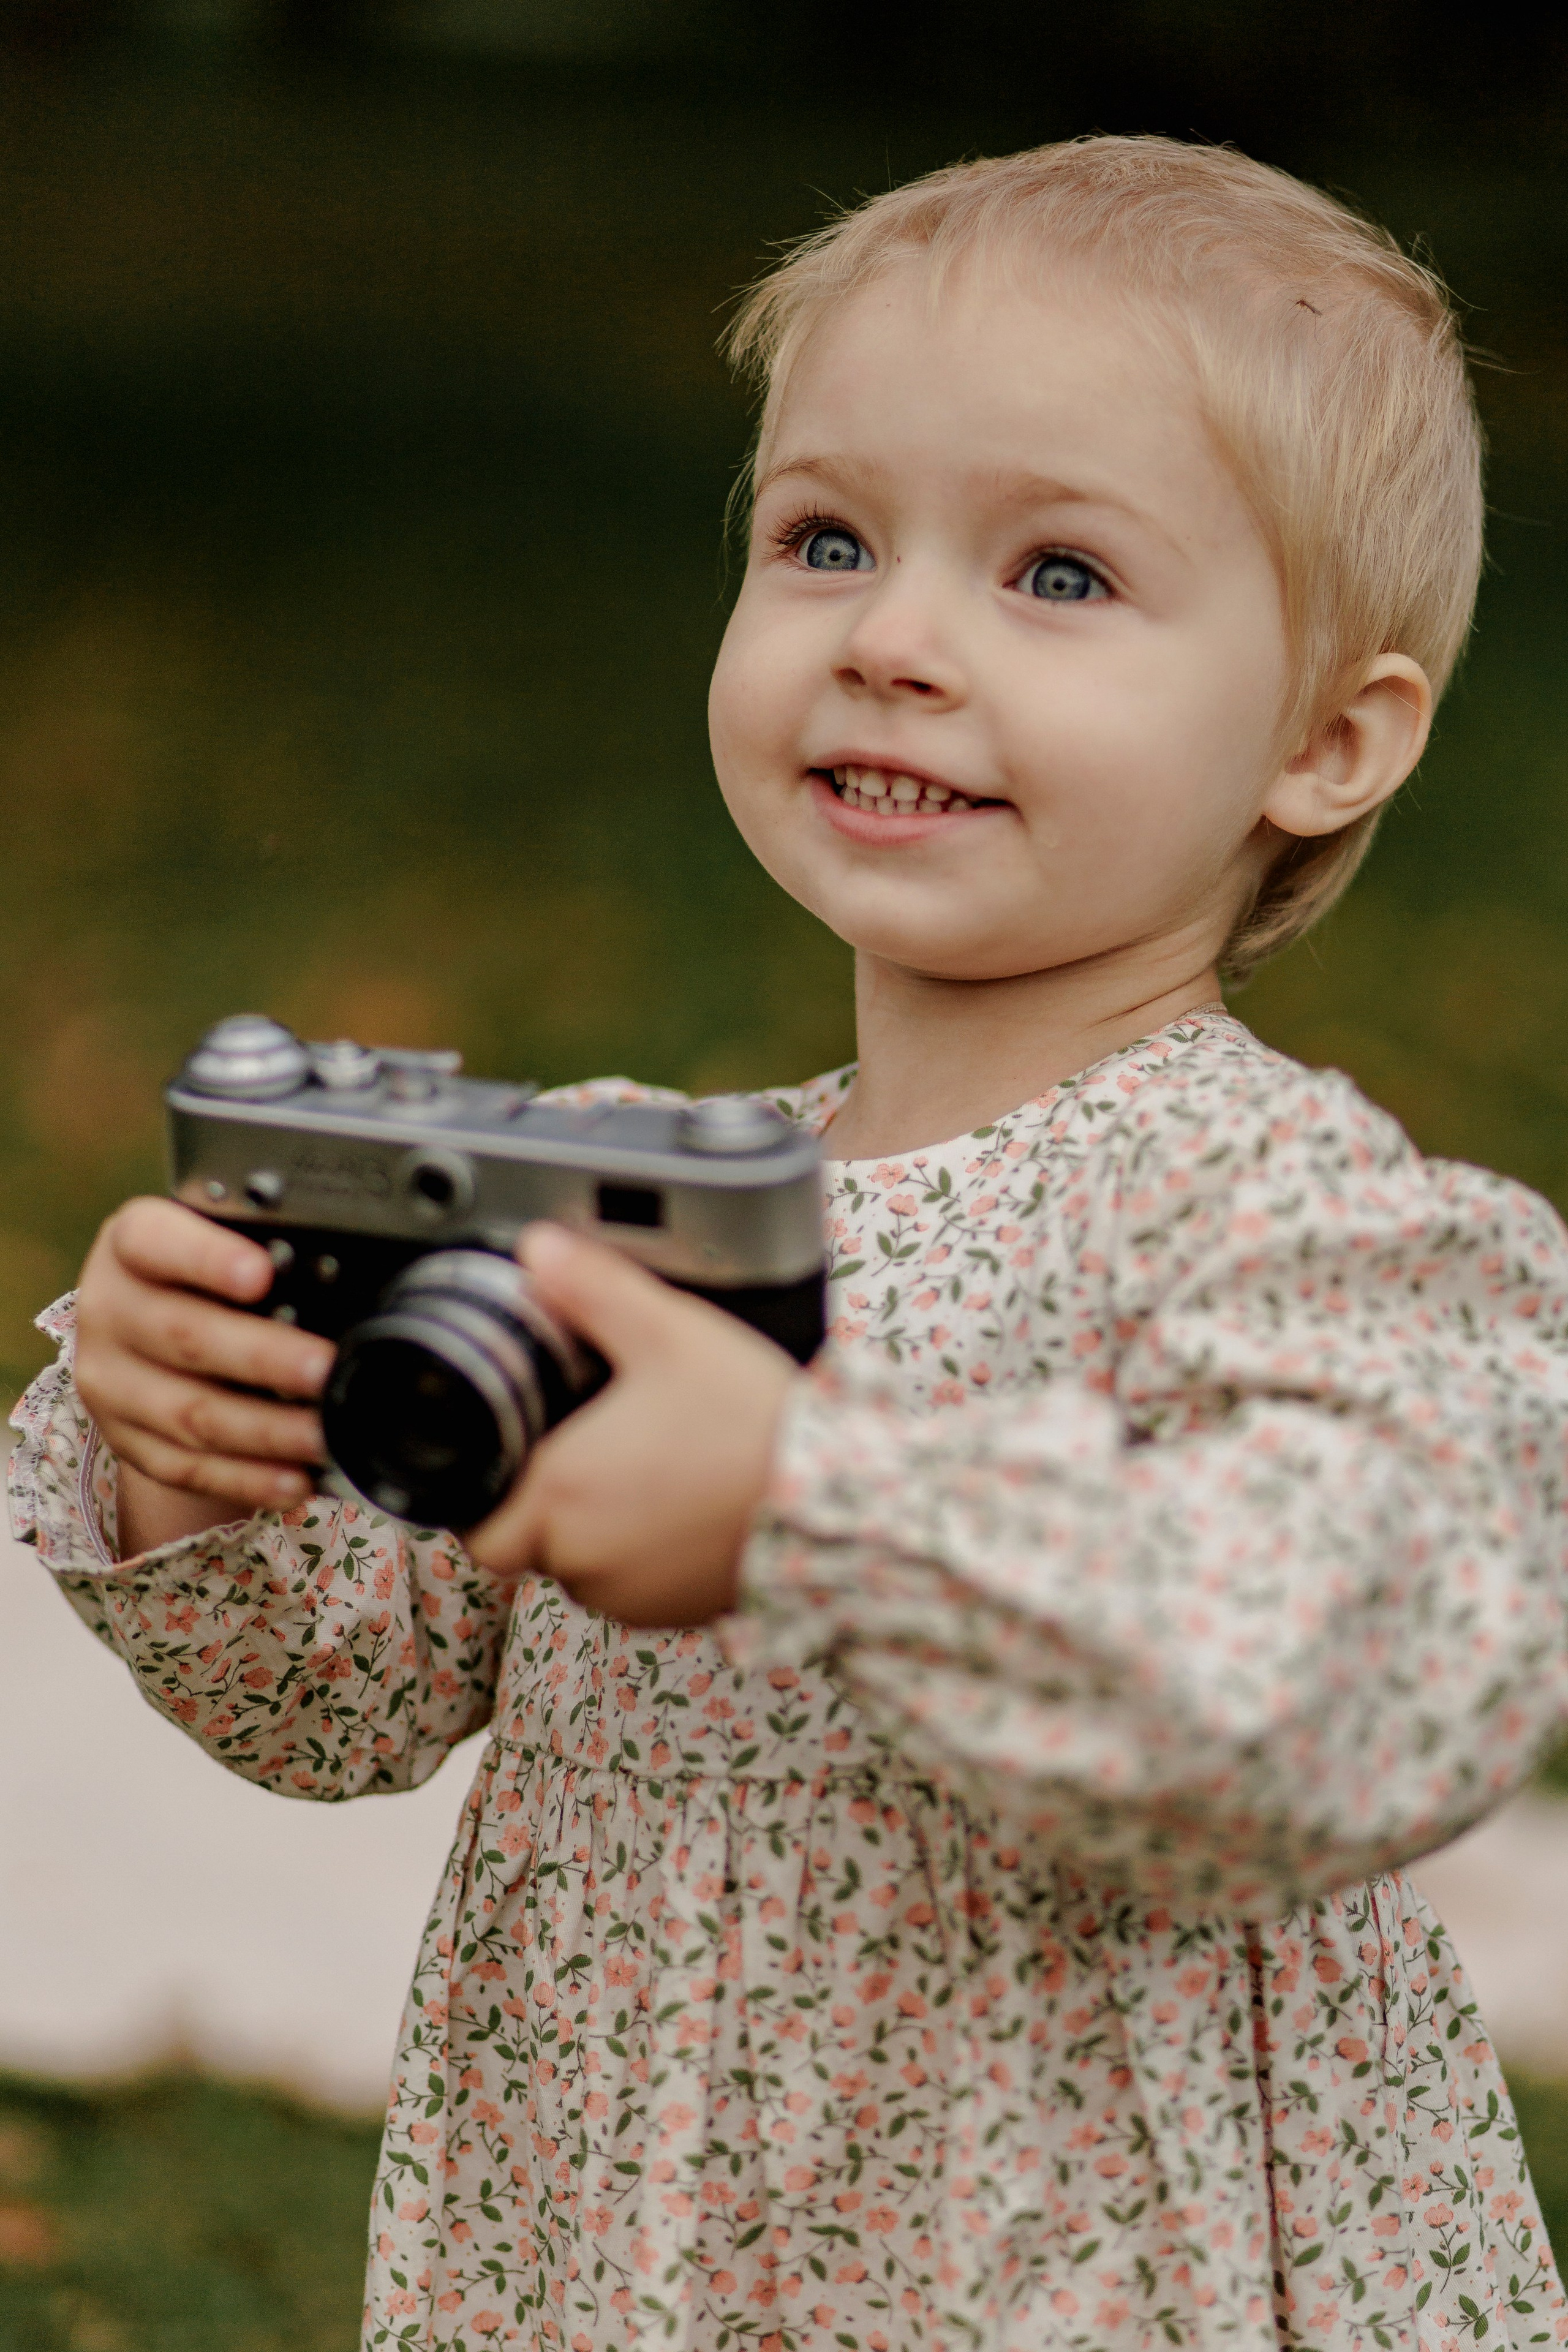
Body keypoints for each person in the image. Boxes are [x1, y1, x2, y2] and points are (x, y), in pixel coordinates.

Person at [12, 134, 1568, 2351]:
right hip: (619, 2240)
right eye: (826, 539)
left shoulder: (1282, 1220)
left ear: (1328, 740)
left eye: (1057, 573)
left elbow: (1357, 1693)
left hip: (1081, 2272)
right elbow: (333, 1702)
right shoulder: (632, 1196)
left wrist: (807, 1505)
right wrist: (200, 1442)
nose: (893, 642)